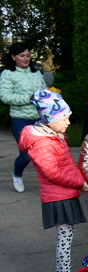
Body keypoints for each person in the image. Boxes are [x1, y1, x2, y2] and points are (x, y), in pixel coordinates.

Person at [19, 90, 88, 272]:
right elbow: (53, 173)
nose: (69, 122)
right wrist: (79, 181)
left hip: (64, 194)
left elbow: (67, 163)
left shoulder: (53, 135)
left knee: (66, 238)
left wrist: (80, 181)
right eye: (65, 118)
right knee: (65, 240)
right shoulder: (42, 142)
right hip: (58, 196)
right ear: (50, 119)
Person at [0, 42, 46, 192]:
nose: (26, 59)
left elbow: (44, 91)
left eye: (28, 55)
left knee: (44, 153)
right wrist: (29, 98)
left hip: (40, 119)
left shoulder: (36, 73)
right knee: (26, 155)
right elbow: (5, 97)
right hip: (20, 120)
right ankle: (17, 174)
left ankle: (48, 181)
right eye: (22, 56)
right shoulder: (7, 74)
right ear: (13, 57)